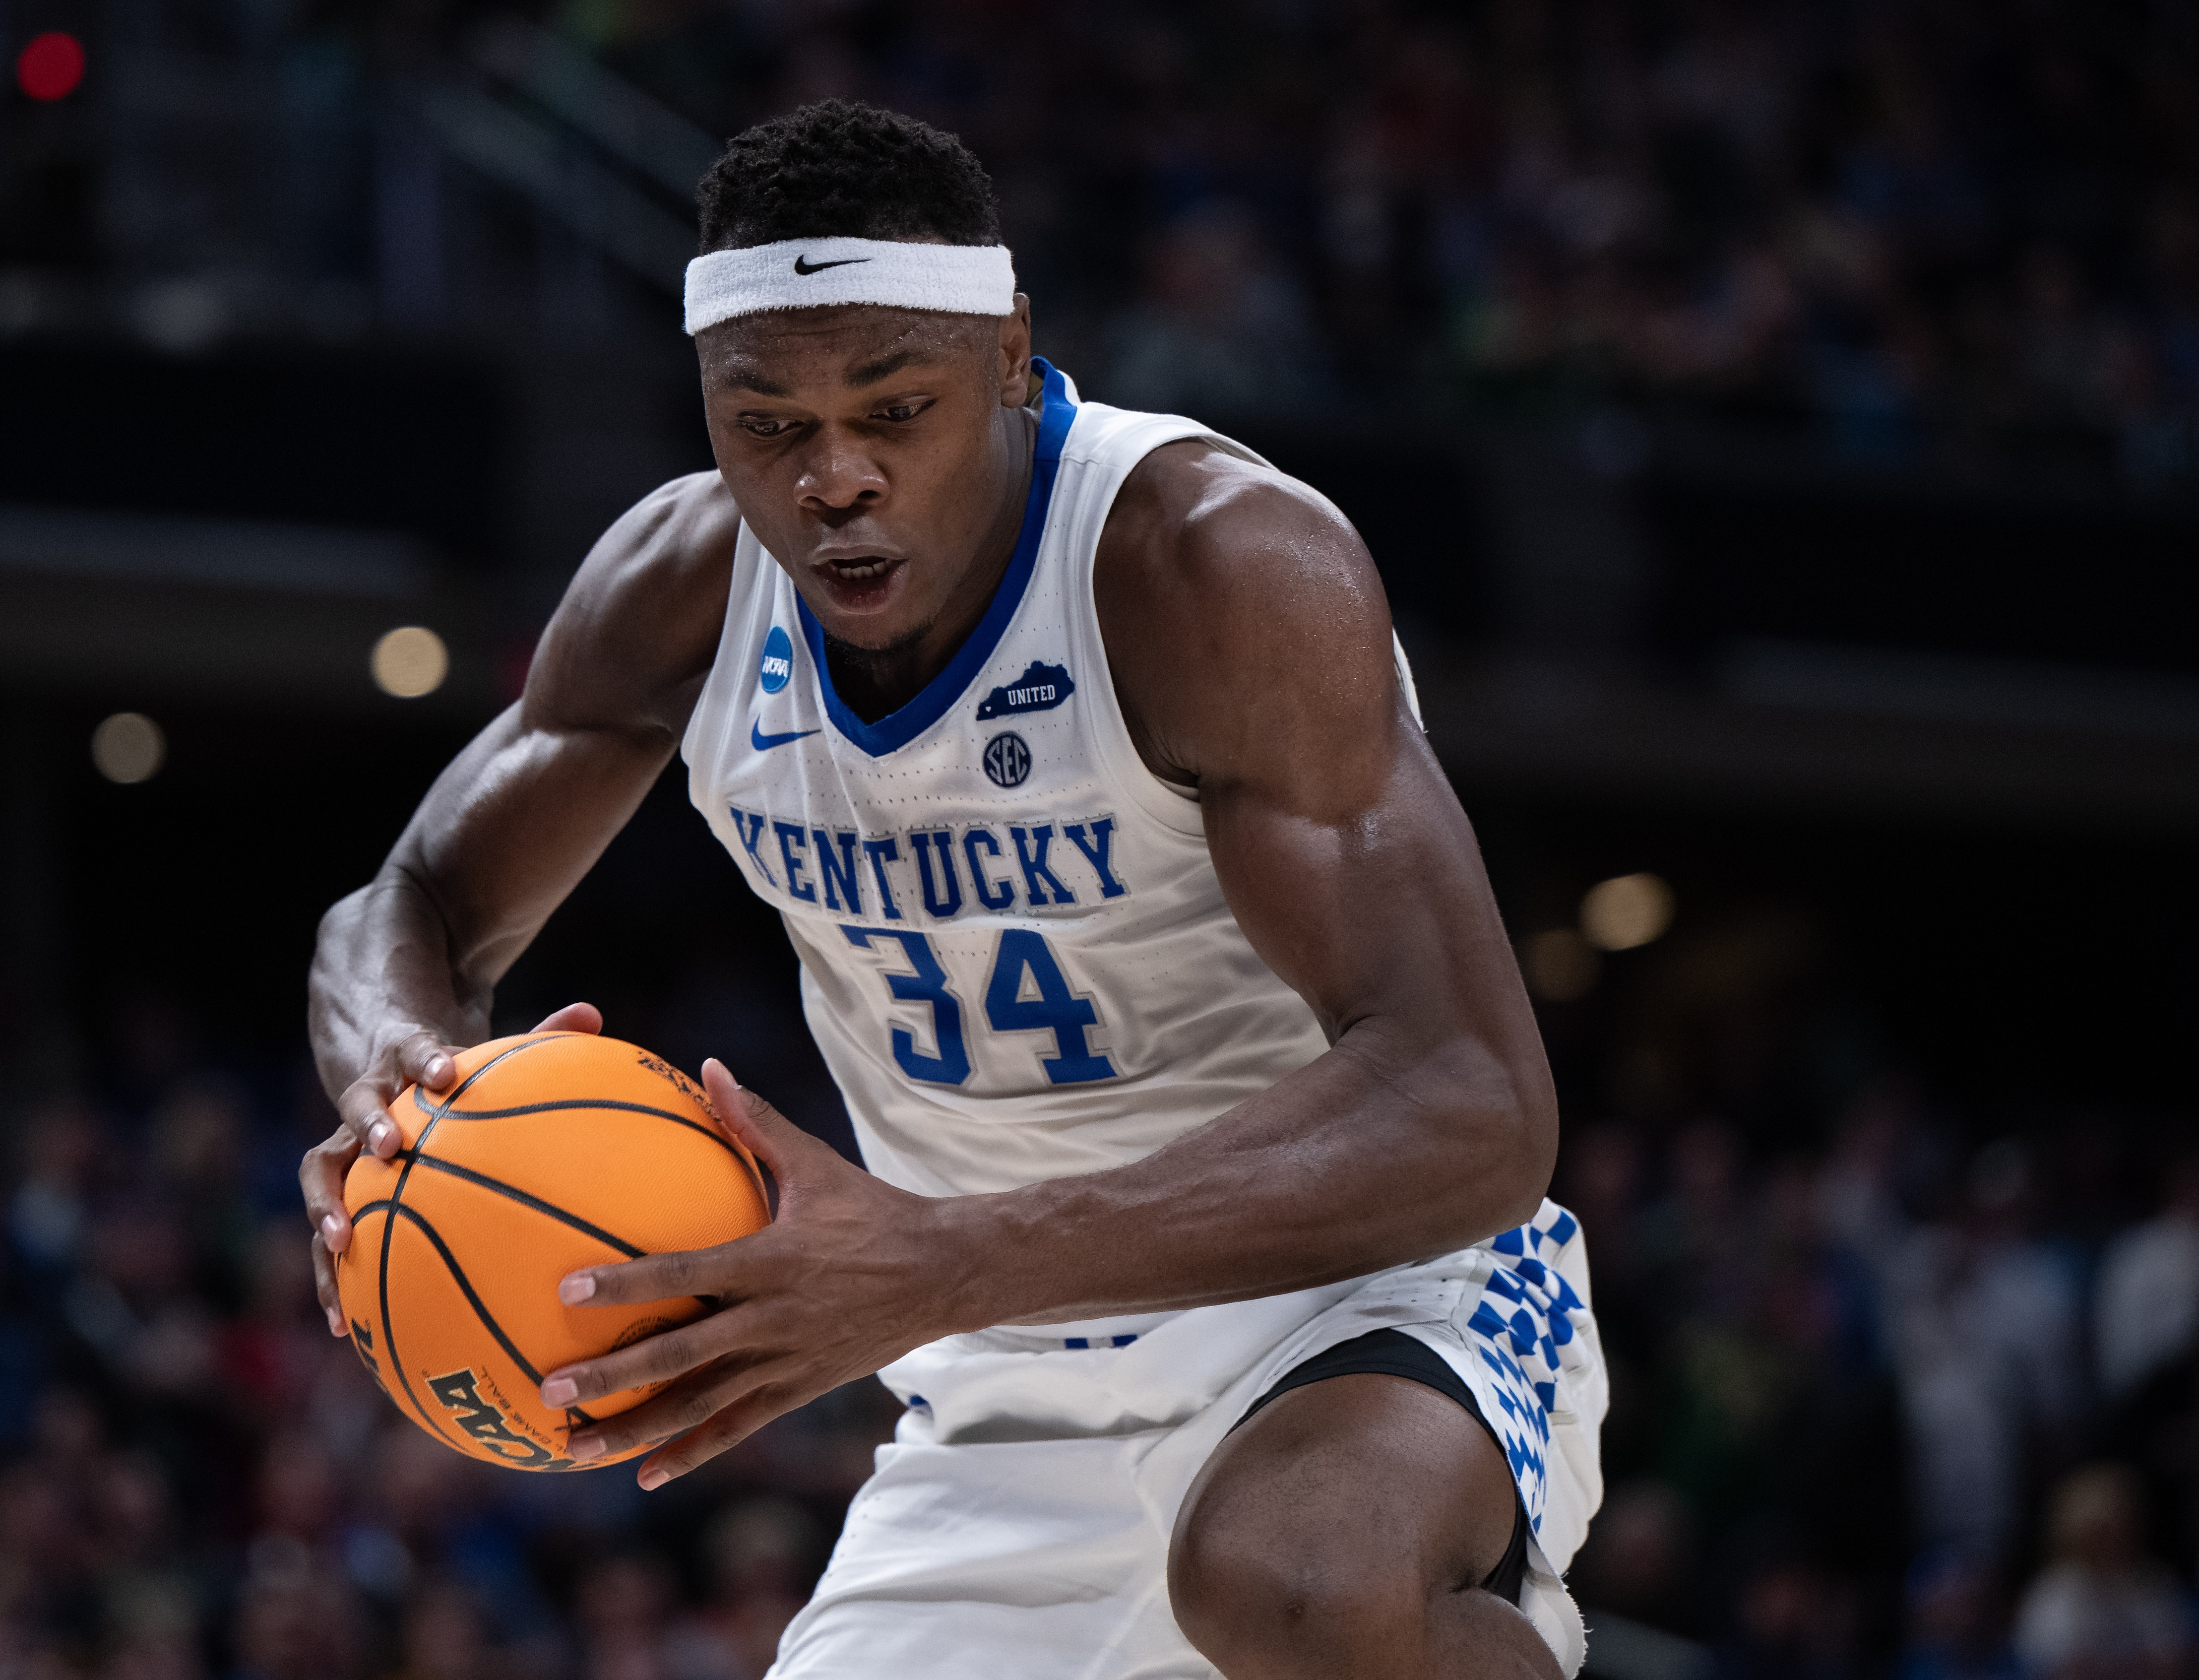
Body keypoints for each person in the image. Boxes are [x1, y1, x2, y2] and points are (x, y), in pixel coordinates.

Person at [300, 100, 1603, 1679]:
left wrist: (943, 1257)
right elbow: (407, 906)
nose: (834, 478)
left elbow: (1474, 1103)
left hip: (1360, 1310)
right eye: (767, 424)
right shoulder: (679, 590)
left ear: (1008, 356)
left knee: (1299, 1581)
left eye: (895, 408)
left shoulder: (1209, 568)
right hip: (997, 1380)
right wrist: (397, 1087)